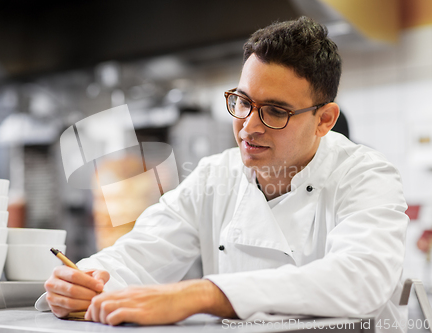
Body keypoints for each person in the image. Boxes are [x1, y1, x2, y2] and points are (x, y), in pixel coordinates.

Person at [44, 16, 408, 330]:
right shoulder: (215, 175)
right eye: (243, 102)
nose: (249, 126)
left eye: (275, 111)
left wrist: (205, 293)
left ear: (324, 120)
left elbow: (360, 279)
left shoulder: (366, 175)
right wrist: (85, 281)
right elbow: (139, 254)